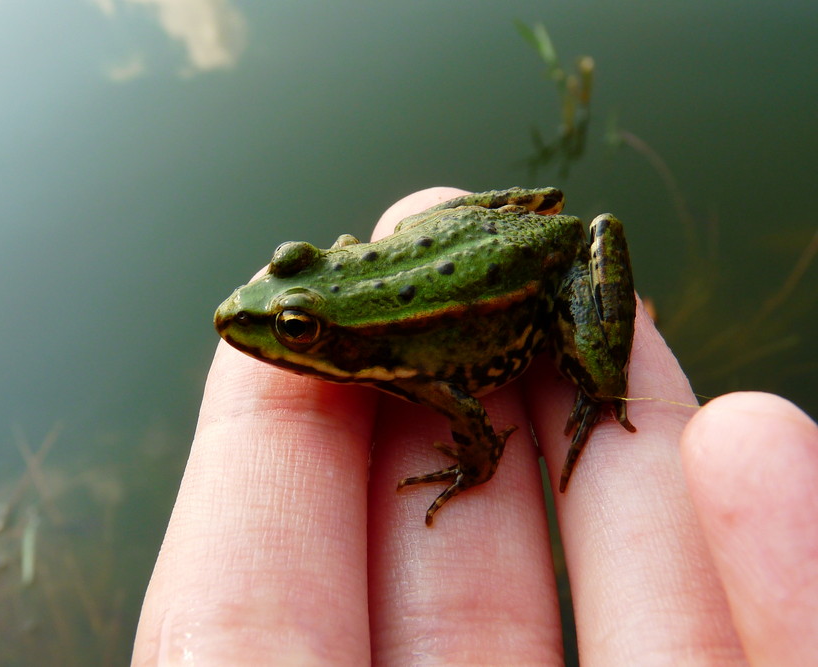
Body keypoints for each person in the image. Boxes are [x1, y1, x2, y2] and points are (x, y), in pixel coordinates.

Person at [132, 188, 818, 665]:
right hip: (476, 241)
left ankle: (601, 390)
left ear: (344, 340)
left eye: (297, 330)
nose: (244, 320)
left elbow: (478, 429)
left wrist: (473, 466)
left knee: (602, 375)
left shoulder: (411, 365)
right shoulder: (354, 301)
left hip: (542, 279)